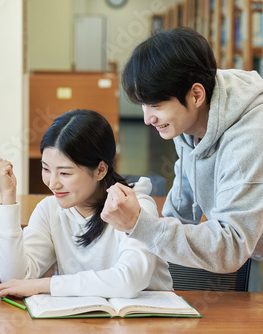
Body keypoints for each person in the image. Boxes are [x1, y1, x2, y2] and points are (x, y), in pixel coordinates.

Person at [102, 27, 263, 273]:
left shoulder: (249, 139)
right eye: (144, 105)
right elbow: (181, 208)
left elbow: (231, 245)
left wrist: (140, 225)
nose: (147, 119)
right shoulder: (192, 118)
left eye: (155, 105)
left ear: (196, 95)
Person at [0, 109, 172, 300]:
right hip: (84, 321)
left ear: (100, 170)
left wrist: (43, 285)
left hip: (144, 321)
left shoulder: (134, 206)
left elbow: (128, 281)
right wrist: (8, 197)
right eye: (46, 169)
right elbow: (14, 279)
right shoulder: (49, 210)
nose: (53, 183)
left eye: (65, 173)